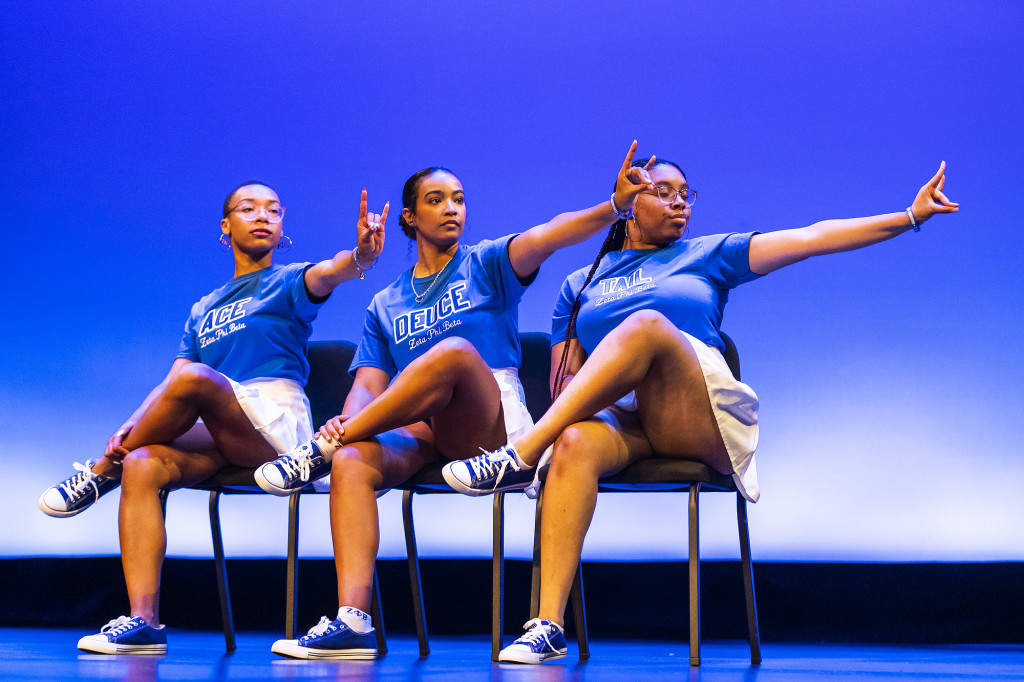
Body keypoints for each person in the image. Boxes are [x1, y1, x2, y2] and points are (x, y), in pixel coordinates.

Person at [446, 158, 959, 664]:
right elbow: (567, 383)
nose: (679, 203)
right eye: (663, 191)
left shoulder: (710, 254)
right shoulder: (581, 284)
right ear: (629, 204)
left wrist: (908, 217)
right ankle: (548, 626)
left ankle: (521, 453)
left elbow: (812, 237)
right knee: (576, 441)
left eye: (685, 193)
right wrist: (571, 422)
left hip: (695, 412)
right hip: (628, 420)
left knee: (646, 325)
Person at [255, 143, 656, 660]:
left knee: (453, 352)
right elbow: (369, 385)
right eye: (437, 199)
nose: (452, 208)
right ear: (408, 216)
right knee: (352, 459)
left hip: (487, 429)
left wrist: (613, 207)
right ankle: (353, 622)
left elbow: (549, 234)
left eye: (459, 199)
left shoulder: (488, 264)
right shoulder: (386, 302)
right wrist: (346, 424)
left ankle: (317, 454)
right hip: (424, 429)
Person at [37, 181, 386, 655]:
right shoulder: (204, 308)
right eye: (248, 209)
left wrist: (361, 257)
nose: (262, 216)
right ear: (226, 226)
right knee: (143, 461)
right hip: (220, 428)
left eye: (273, 210)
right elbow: (170, 382)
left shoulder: (288, 282)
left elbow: (332, 272)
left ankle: (100, 477)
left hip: (273, 429)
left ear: (282, 225)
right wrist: (127, 428)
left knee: (198, 381)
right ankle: (144, 623)